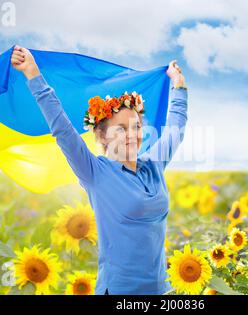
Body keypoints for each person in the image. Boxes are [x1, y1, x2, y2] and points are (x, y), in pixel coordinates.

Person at [11, 45, 188, 295]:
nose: (132, 135)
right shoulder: (95, 172)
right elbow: (61, 128)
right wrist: (33, 74)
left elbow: (175, 128)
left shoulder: (154, 165)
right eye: (121, 129)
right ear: (102, 136)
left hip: (160, 290)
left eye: (136, 127)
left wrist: (178, 85)